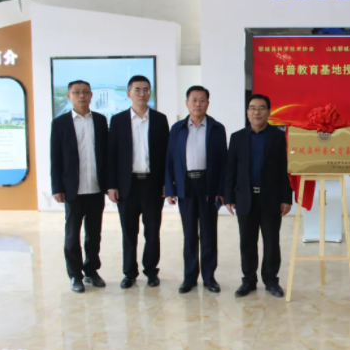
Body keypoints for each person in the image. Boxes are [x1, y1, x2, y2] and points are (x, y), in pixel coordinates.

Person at [225, 95, 293, 298]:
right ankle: (248, 280)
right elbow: (231, 169)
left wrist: (286, 198)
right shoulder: (237, 137)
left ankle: (271, 280)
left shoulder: (278, 137)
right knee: (247, 242)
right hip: (245, 197)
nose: (257, 112)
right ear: (247, 112)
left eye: (261, 108)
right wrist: (228, 196)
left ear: (269, 112)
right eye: (253, 108)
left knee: (271, 242)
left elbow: (284, 169)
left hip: (270, 198)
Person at [108, 76, 169, 289]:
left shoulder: (160, 120)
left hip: (153, 184)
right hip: (127, 185)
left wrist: (166, 182)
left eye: (146, 89)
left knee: (152, 231)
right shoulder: (118, 121)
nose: (142, 94)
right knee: (128, 232)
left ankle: (151, 271)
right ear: (128, 94)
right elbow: (112, 154)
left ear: (150, 93)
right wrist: (111, 185)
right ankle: (129, 273)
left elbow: (167, 155)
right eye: (137, 90)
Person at [166, 86, 227, 294]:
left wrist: (222, 190)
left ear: (208, 103)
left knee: (209, 233)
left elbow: (224, 162)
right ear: (187, 103)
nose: (198, 104)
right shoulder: (177, 129)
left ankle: (209, 277)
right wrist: (170, 188)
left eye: (202, 100)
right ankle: (190, 277)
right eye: (194, 100)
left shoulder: (217, 128)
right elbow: (170, 159)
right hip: (186, 185)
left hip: (208, 184)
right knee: (190, 233)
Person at [50, 80, 108, 293]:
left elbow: (106, 154)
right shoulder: (60, 123)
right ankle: (75, 275)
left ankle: (91, 271)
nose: (81, 96)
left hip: (95, 188)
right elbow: (55, 157)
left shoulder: (100, 121)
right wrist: (57, 187)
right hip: (72, 190)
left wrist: (109, 184)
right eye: (76, 93)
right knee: (72, 236)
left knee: (94, 235)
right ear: (69, 96)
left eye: (85, 92)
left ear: (91, 95)